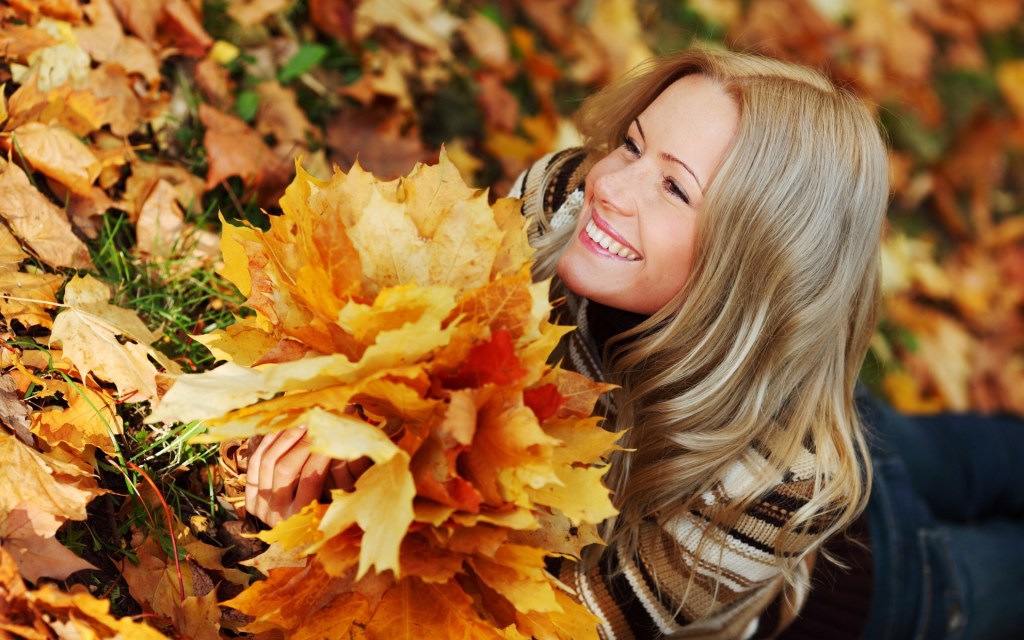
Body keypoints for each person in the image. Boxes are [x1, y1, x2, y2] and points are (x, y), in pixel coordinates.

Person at [243, 48, 1024, 639]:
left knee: (991, 526)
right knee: (942, 451)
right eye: (634, 145)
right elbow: (426, 354)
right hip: (780, 392)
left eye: (675, 186)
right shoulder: (561, 202)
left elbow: (561, 622)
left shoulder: (766, 485)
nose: (611, 186)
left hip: (877, 572)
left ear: (756, 265)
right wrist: (349, 444)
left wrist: (367, 537)